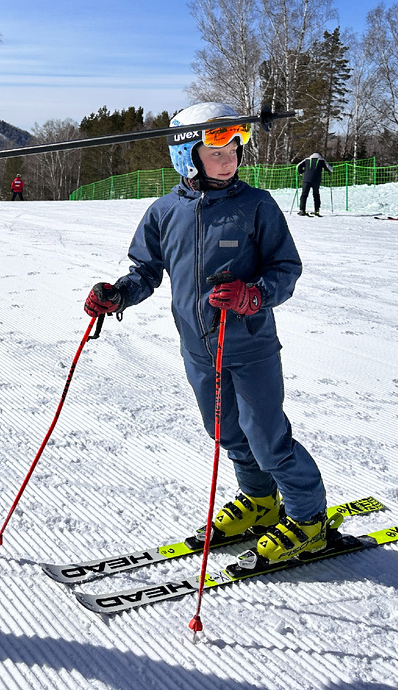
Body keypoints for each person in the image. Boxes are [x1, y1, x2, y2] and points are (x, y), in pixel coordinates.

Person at [84, 102, 332, 563]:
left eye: (235, 151)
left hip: (250, 346)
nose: (230, 160)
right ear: (187, 157)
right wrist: (118, 294)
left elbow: (286, 269)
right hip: (197, 348)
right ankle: (260, 502)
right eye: (217, 153)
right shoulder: (163, 212)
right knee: (226, 433)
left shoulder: (256, 205)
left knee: (267, 438)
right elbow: (146, 271)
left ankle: (308, 518)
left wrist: (253, 295)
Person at [296, 152, 333, 216]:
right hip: (316, 181)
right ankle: (317, 210)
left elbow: (298, 166)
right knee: (316, 195)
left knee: (304, 195)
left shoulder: (306, 160)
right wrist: (329, 172)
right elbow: (330, 169)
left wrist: (301, 172)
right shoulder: (321, 160)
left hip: (306, 180)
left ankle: (302, 210)